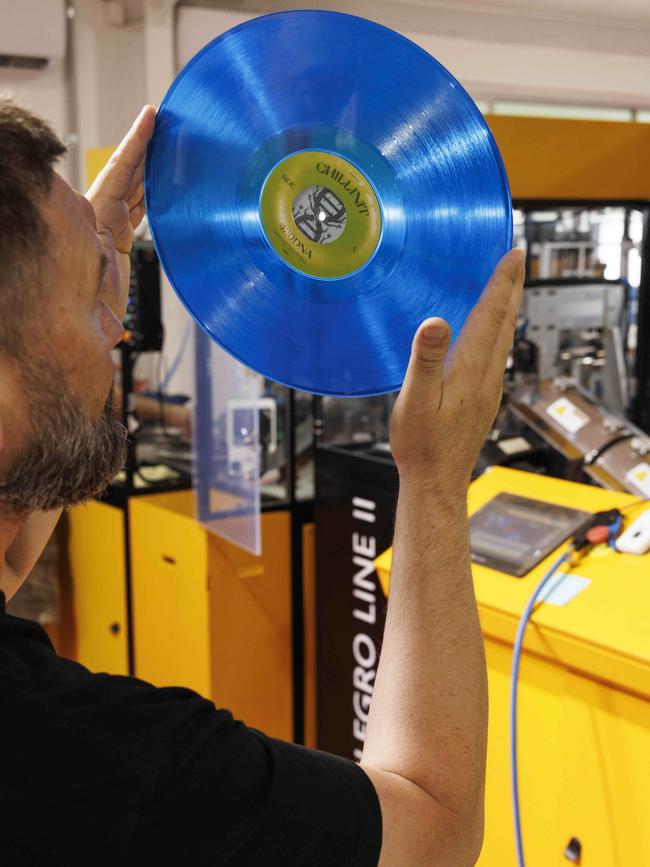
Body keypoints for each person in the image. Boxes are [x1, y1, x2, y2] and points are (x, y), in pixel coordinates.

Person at [0, 100, 524, 866]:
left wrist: (96, 251)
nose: (118, 326)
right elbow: (434, 830)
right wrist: (436, 478)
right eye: (91, 302)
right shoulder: (81, 758)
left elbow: (8, 567)